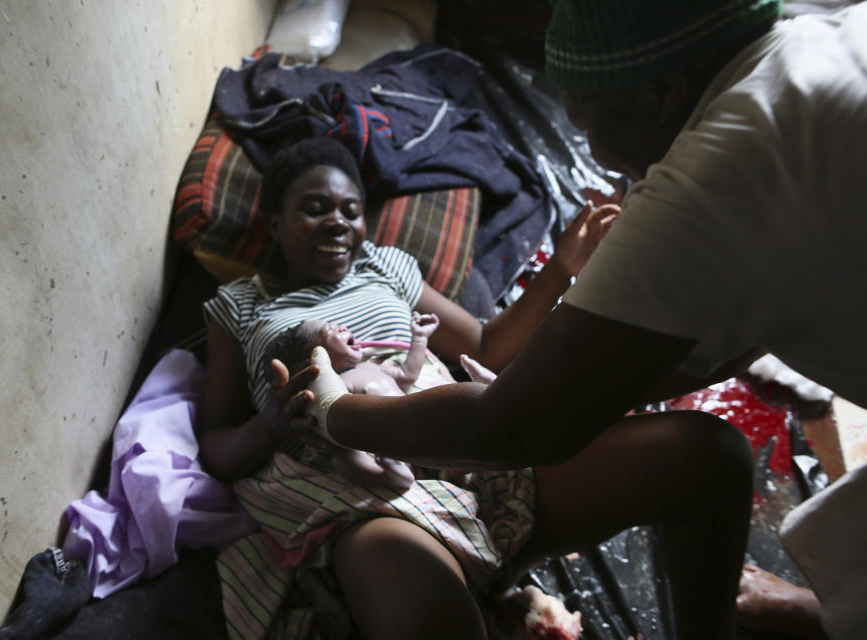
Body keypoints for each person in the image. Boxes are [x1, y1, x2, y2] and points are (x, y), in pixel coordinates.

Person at [303, 2, 867, 638]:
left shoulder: (720, 170)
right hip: (405, 485)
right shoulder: (832, 39)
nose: (592, 147)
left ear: (662, 91)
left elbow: (513, 411)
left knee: (710, 455)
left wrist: (332, 412)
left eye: (586, 113)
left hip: (449, 457)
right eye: (309, 209)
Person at [195, 135, 750, 640]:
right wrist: (269, 425)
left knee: (710, 454)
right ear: (273, 223)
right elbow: (217, 445)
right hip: (360, 493)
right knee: (433, 620)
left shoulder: (384, 268)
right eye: (314, 208)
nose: (338, 222)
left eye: (350, 210)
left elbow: (483, 346)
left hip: (475, 450)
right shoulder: (244, 305)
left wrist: (561, 268)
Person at [260, 311, 448, 490]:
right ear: (312, 364)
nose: (342, 328)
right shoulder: (334, 387)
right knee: (343, 460)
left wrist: (420, 337)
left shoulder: (371, 366)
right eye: (330, 330)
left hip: (417, 430)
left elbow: (407, 374)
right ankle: (389, 475)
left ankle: (448, 469)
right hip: (381, 450)